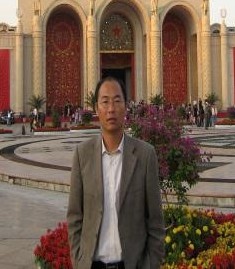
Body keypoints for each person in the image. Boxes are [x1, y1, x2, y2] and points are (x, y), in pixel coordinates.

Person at [67, 77, 164, 269]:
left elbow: (155, 221)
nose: (111, 109)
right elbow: (75, 216)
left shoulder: (145, 155)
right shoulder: (82, 155)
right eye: (105, 101)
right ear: (96, 109)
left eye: (117, 101)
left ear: (126, 107)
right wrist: (79, 260)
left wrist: (151, 263)